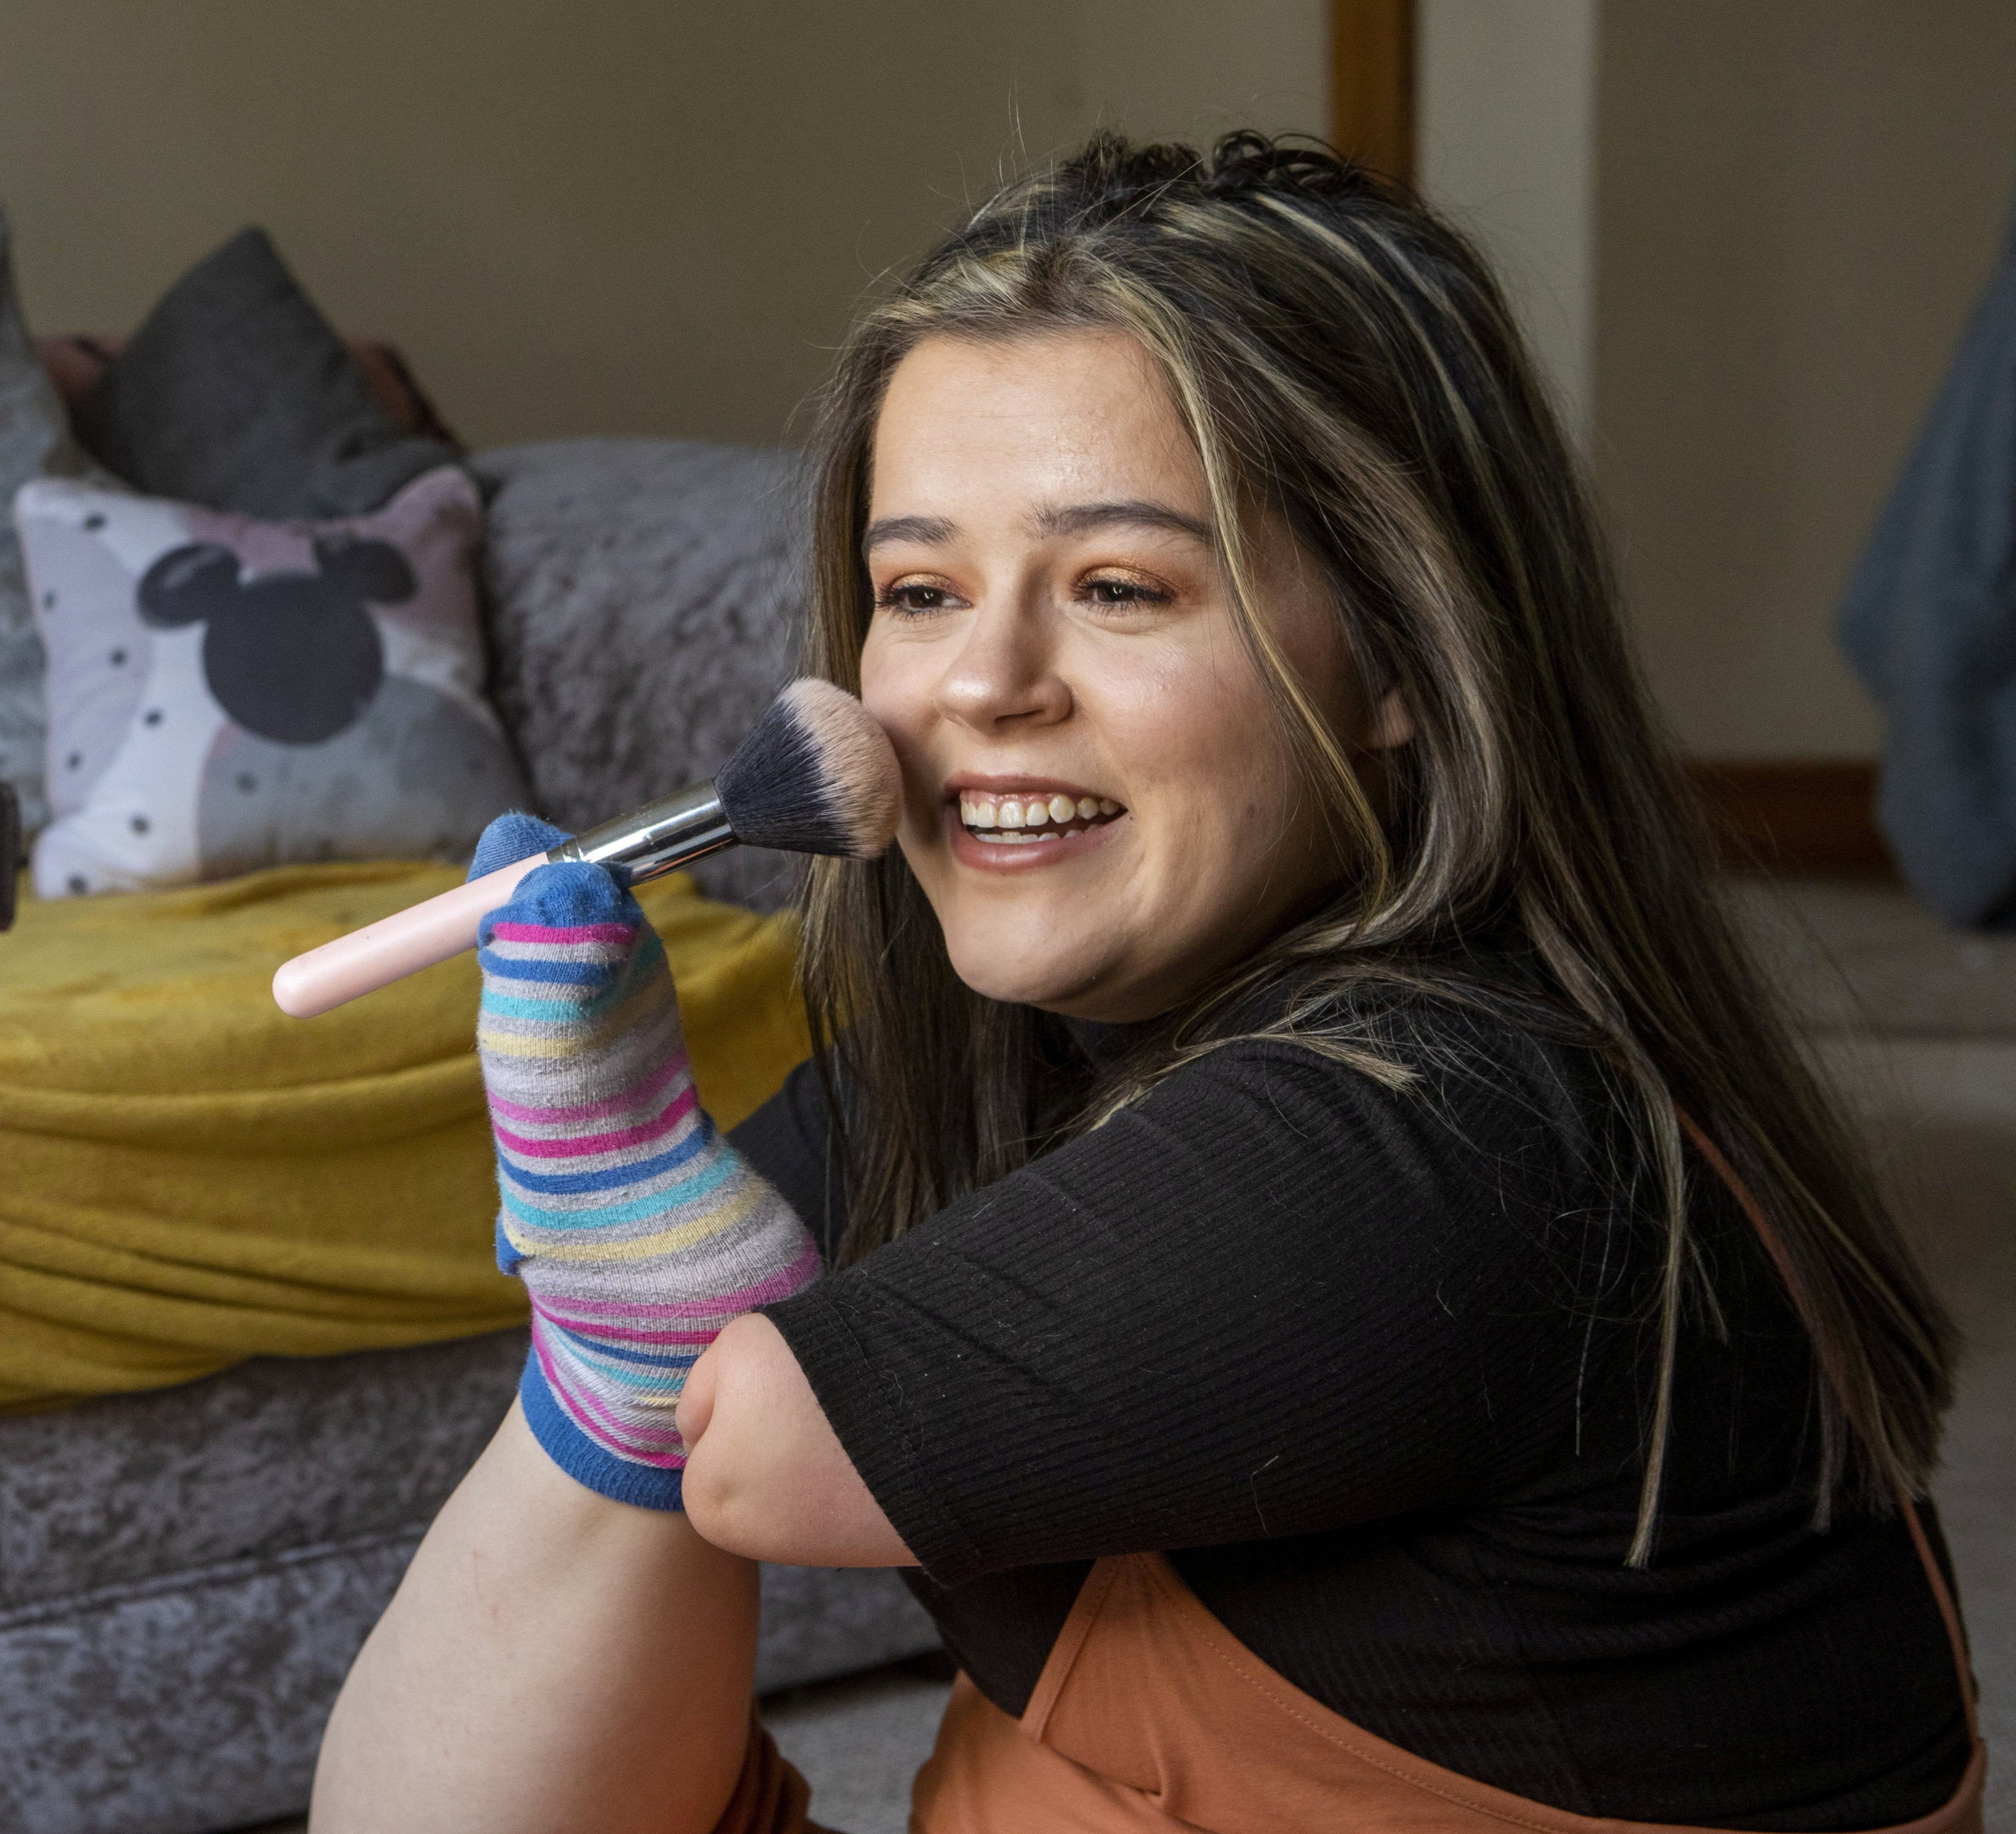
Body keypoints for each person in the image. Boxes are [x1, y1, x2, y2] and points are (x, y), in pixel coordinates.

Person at [309, 134, 1980, 1834]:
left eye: (1119, 586)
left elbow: (747, 1442)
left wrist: (625, 1287)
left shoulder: (1452, 1136)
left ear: (1399, 656)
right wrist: (623, 1313)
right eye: (919, 591)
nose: (981, 682)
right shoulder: (998, 1060)